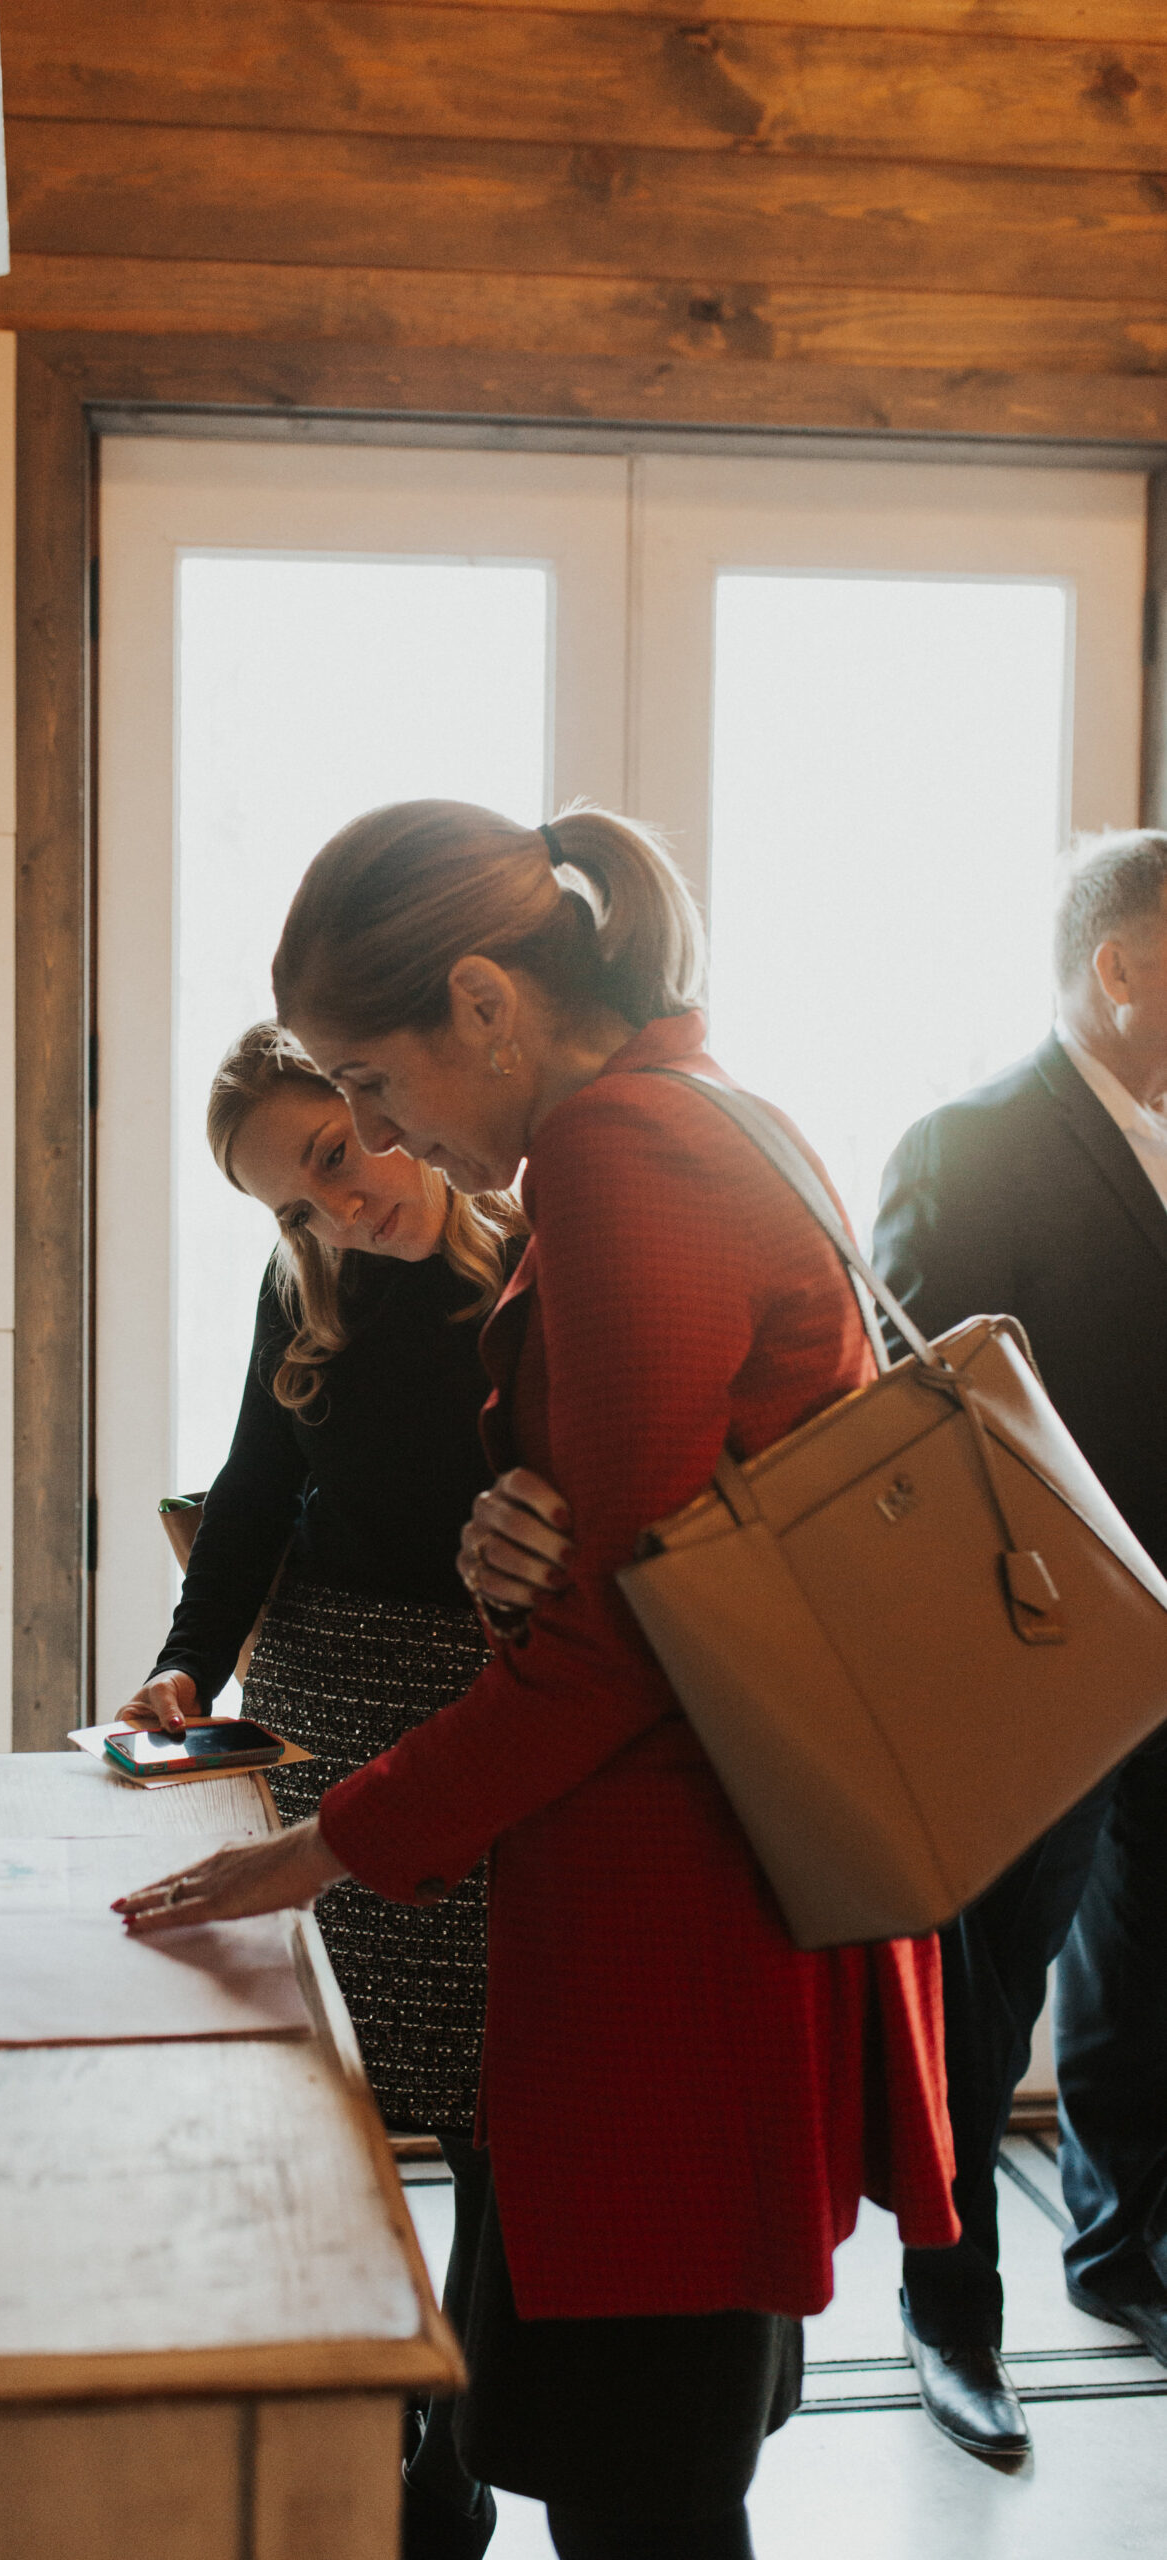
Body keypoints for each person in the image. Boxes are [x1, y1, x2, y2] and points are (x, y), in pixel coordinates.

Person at [117, 802, 958, 2560]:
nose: (368, 1131)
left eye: (369, 1076)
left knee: (637, 2488)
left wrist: (318, 1844)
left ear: (486, 1002)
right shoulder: (707, 1106)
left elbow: (619, 1643)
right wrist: (522, 1524)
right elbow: (661, 1530)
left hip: (672, 1925)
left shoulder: (614, 1153)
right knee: (636, 2452)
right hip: (700, 1895)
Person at [118, 1020, 525, 2560]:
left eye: (335, 1155)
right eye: (292, 1199)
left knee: (485, 2105)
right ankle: (393, 2425)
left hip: (487, 1721)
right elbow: (250, 1498)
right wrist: (183, 1667)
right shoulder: (306, 1292)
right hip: (318, 1711)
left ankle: (477, 2427)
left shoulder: (537, 1259)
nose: (333, 1207)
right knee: (339, 2103)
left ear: (382, 1104)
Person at [872, 827, 1167, 2463]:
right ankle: (948, 2320)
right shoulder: (965, 1143)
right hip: (1038, 1646)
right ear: (1117, 966)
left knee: (1149, 1978)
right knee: (981, 2008)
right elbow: (923, 1411)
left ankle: (1128, 2256)